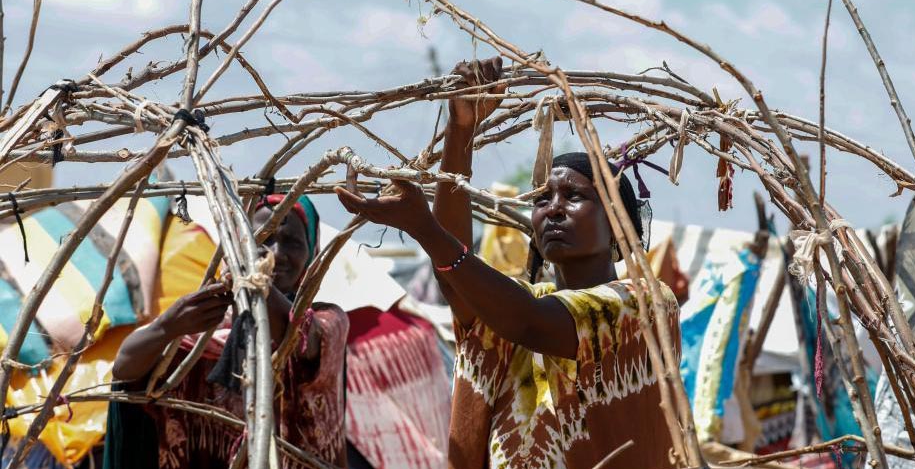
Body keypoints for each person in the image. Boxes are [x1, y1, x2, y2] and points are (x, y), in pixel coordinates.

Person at [334, 57, 680, 468]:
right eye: (541, 199)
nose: (552, 209)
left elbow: (528, 321)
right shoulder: (518, 304)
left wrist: (426, 230)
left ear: (618, 226)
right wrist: (461, 131)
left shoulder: (644, 303)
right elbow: (457, 282)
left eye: (574, 197)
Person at [106, 194, 349, 469]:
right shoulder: (205, 325)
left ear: (311, 254)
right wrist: (167, 327)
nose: (277, 253)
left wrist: (251, 283)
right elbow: (125, 371)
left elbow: (299, 335)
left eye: (293, 242)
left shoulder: (329, 320)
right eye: (264, 238)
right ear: (239, 244)